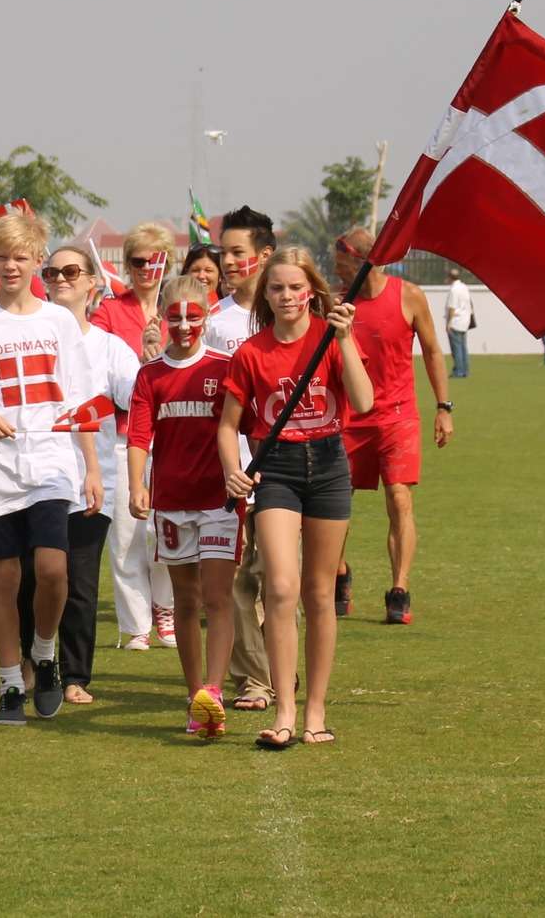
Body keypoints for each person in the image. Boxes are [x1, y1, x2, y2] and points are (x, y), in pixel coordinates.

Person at [0, 211, 101, 726]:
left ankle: (46, 654)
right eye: (2, 256)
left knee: (54, 568)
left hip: (52, 460)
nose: (11, 265)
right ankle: (11, 683)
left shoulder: (58, 321)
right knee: (5, 576)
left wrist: (92, 469)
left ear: (37, 260)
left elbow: (80, 399)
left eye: (21, 257)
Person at [218, 247, 373, 749]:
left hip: (328, 466)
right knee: (281, 589)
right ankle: (284, 709)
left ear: (312, 291)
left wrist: (345, 339)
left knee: (319, 593)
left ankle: (316, 712)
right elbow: (228, 425)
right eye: (277, 287)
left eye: (295, 287)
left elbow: (365, 400)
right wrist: (232, 469)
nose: (286, 296)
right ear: (265, 293)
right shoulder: (251, 352)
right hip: (277, 468)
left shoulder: (332, 339)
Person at [23, 240, 137, 706]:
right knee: (34, 576)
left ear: (93, 284)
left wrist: (151, 355)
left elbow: (134, 397)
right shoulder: (29, 336)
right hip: (34, 474)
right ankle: (29, 661)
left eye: (72, 272)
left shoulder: (109, 347)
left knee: (80, 582)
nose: (61, 280)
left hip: (94, 478)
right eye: (51, 274)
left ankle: (75, 675)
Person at [126, 274, 238, 738]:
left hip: (219, 501)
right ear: (162, 319)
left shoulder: (225, 367)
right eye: (177, 317)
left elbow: (242, 430)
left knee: (217, 597)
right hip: (171, 503)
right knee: (185, 601)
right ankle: (195, 696)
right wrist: (137, 485)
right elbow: (138, 435)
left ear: (208, 315)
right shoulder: (150, 374)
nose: (186, 325)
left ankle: (213, 689)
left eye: (195, 315)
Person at [334, 229, 455, 627]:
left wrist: (443, 407)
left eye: (340, 263)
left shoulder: (409, 295)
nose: (336, 271)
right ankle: (339, 572)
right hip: (348, 416)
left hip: (397, 416)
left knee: (399, 499)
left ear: (361, 261)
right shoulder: (337, 302)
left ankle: (399, 589)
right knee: (333, 504)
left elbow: (433, 351)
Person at [90, 219, 178, 648]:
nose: (147, 268)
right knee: (126, 535)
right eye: (138, 261)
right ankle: (134, 625)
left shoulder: (177, 307)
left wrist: (160, 354)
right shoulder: (110, 312)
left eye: (155, 259)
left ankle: (165, 611)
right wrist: (140, 365)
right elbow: (101, 372)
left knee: (166, 530)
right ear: (126, 265)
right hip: (125, 437)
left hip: (174, 434)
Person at [208, 205, 276, 713]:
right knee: (235, 581)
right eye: (224, 252)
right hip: (231, 472)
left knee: (279, 580)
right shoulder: (213, 321)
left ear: (264, 256)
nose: (228, 261)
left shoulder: (295, 314)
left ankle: (278, 667)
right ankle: (254, 679)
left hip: (289, 469)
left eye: (238, 252)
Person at [444, 273, 474, 379]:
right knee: (463, 347)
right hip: (464, 320)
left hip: (456, 321)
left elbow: (452, 307)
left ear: (450, 278)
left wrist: (448, 323)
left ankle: (458, 371)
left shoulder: (454, 290)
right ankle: (465, 370)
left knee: (456, 348)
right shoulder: (464, 287)